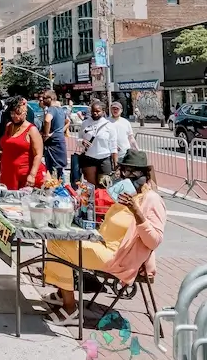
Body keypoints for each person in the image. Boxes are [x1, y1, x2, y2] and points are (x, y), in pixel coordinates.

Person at [42, 149, 166, 325]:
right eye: (125, 171)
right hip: (102, 245)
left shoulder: (151, 200)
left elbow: (154, 241)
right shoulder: (126, 194)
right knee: (59, 237)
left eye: (134, 172)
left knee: (59, 244)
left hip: (120, 258)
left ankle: (70, 309)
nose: (129, 176)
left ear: (145, 174)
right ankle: (63, 293)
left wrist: (137, 212)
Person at [0, 96, 44, 190]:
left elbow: (38, 155)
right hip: (8, 174)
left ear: (25, 113)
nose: (15, 117)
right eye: (12, 113)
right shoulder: (8, 126)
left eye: (18, 113)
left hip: (25, 176)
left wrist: (32, 175)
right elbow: (4, 143)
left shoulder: (32, 130)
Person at [75, 100, 118, 187]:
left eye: (98, 111)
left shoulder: (109, 125)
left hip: (104, 159)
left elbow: (113, 147)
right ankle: (92, 200)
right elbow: (78, 139)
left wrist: (116, 165)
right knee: (91, 186)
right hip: (89, 158)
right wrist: (81, 142)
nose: (95, 113)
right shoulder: (85, 123)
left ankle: (102, 200)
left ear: (103, 111)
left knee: (104, 185)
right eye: (93, 111)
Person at [41, 90, 68, 180]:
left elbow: (47, 120)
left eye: (45, 98)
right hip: (59, 140)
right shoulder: (61, 110)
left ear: (51, 98)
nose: (42, 100)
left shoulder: (51, 109)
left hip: (52, 142)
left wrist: (46, 134)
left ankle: (54, 188)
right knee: (59, 169)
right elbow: (67, 122)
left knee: (50, 168)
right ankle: (61, 187)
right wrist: (60, 131)